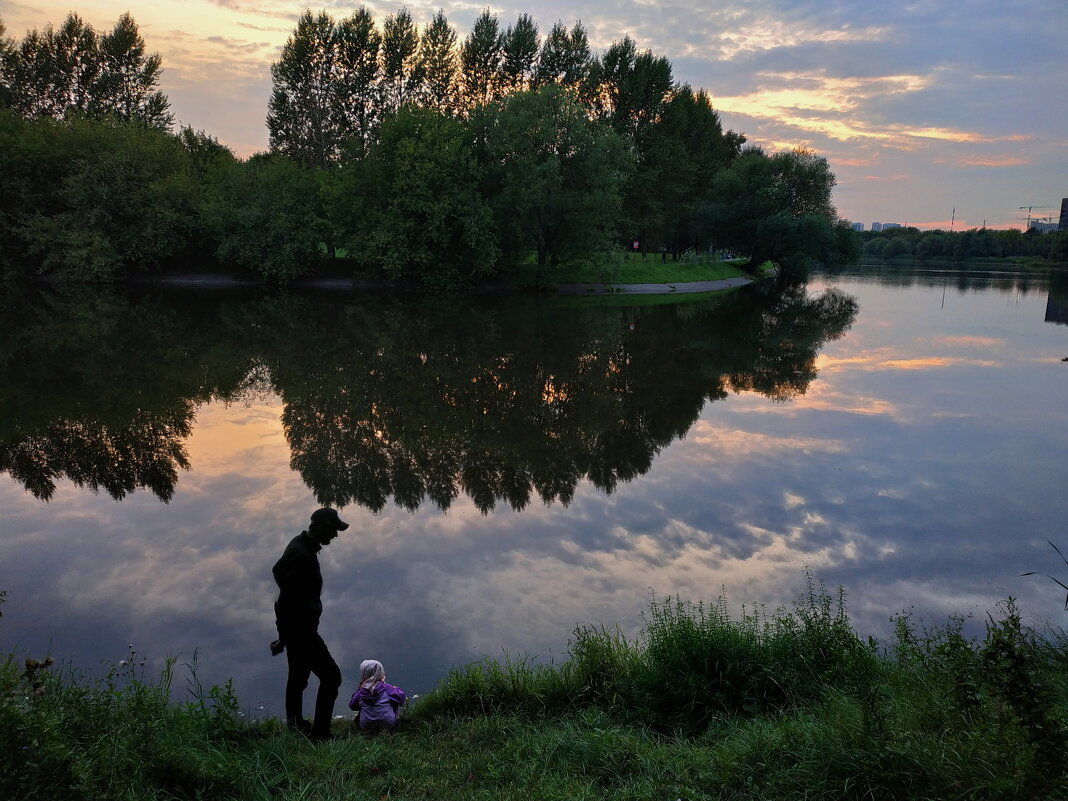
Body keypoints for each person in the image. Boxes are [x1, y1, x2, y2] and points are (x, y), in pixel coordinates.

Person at [271, 507, 349, 742]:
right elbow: (284, 600)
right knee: (332, 677)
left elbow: (277, 572)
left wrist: (284, 636)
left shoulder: (299, 544)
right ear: (322, 526)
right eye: (333, 530)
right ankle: (321, 734)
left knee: (297, 678)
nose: (335, 535)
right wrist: (284, 635)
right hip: (303, 632)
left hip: (297, 631)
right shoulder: (302, 555)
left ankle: (295, 726)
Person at [348, 659, 406, 734]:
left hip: (366, 727)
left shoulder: (360, 693)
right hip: (388, 725)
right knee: (393, 700)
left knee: (362, 708)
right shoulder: (386, 688)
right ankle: (391, 727)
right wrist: (396, 689)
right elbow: (401, 698)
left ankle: (368, 729)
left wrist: (359, 690)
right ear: (380, 673)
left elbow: (352, 706)